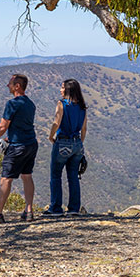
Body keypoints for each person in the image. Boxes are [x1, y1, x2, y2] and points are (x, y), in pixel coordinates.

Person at [0, 74, 38, 223]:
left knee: (6, 179)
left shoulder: (12, 104)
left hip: (17, 147)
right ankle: (29, 211)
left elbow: (3, 126)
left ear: (17, 86)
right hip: (31, 144)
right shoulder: (30, 104)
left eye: (10, 83)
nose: (7, 85)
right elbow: (23, 125)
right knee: (27, 176)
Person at [44, 79, 88, 216]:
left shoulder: (62, 104)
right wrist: (79, 143)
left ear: (68, 90)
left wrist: (51, 136)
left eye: (62, 88)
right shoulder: (82, 107)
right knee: (73, 176)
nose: (60, 90)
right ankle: (74, 208)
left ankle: (56, 208)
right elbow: (84, 128)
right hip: (77, 144)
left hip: (63, 142)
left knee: (56, 175)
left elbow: (56, 123)